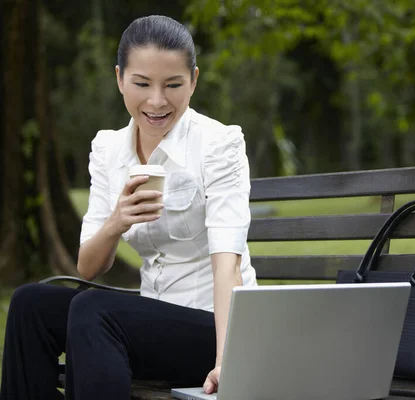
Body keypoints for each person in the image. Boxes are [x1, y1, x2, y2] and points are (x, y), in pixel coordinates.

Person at [0, 15, 257, 399]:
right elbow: (89, 266)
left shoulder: (219, 144)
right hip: (149, 321)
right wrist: (116, 221)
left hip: (216, 328)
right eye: (141, 83)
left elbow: (228, 264)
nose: (156, 101)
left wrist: (226, 361)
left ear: (194, 81)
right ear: (120, 78)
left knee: (94, 310)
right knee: (30, 303)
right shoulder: (108, 150)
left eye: (173, 85)